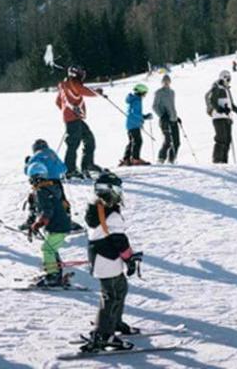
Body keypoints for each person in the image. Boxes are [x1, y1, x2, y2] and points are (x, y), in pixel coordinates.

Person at [80, 173, 143, 353]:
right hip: (107, 259)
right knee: (111, 295)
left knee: (120, 288)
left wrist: (127, 257)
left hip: (103, 257)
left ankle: (114, 322)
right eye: (116, 190)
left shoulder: (96, 207)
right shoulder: (110, 214)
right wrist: (129, 258)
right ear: (108, 192)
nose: (119, 194)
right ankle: (103, 334)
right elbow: (119, 240)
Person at [27, 161, 74, 287]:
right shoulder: (50, 187)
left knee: (47, 249)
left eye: (31, 179)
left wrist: (38, 224)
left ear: (36, 178)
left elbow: (47, 211)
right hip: (61, 224)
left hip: (58, 226)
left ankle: (53, 277)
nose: (30, 182)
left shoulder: (42, 191)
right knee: (52, 249)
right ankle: (55, 272)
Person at [57, 66, 102, 178]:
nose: (83, 77)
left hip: (74, 119)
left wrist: (66, 112)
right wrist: (97, 93)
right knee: (73, 144)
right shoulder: (73, 83)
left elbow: (58, 102)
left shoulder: (64, 85)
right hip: (73, 119)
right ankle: (70, 169)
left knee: (88, 139)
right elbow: (84, 91)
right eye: (81, 74)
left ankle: (87, 165)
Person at [20, 139, 67, 230]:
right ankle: (67, 218)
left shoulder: (35, 156)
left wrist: (27, 162)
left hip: (41, 182)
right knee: (62, 200)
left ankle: (31, 219)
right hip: (56, 182)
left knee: (34, 199)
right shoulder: (52, 154)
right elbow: (64, 168)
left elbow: (27, 170)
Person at [206, 71, 237, 163]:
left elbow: (231, 106)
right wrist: (220, 109)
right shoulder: (217, 87)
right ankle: (217, 161)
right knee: (221, 139)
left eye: (230, 79)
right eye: (227, 79)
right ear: (223, 78)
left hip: (227, 118)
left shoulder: (227, 90)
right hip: (218, 117)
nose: (229, 81)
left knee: (227, 140)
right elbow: (212, 100)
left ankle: (224, 161)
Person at [120, 85, 152, 166]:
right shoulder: (137, 100)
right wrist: (144, 117)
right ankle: (135, 159)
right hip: (134, 124)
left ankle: (126, 159)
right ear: (141, 92)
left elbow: (134, 112)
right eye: (145, 93)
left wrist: (143, 117)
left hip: (130, 124)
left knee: (132, 141)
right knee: (138, 141)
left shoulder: (133, 99)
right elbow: (135, 112)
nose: (145, 95)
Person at [153, 75, 180, 164]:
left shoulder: (172, 92)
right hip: (165, 120)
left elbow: (172, 106)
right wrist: (162, 115)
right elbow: (154, 106)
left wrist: (176, 116)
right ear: (162, 82)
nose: (166, 83)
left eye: (168, 81)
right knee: (168, 141)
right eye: (164, 82)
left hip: (173, 119)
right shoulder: (159, 92)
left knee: (177, 142)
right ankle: (161, 158)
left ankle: (171, 160)